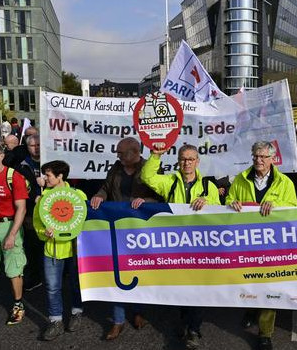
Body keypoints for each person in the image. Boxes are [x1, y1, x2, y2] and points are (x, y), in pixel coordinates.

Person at [141, 143, 220, 350]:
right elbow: (147, 177)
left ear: (197, 161)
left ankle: (194, 330)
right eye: (183, 159)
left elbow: (219, 211)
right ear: (178, 161)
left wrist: (207, 202)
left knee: (199, 290)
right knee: (183, 289)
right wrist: (155, 156)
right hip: (177, 246)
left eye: (191, 159)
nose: (187, 163)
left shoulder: (208, 186)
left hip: (201, 246)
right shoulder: (170, 182)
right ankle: (186, 322)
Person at [226, 141, 297, 350]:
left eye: (263, 157)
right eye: (255, 156)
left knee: (269, 287)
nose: (258, 160)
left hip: (272, 245)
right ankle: (250, 310)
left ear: (273, 159)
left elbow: (292, 209)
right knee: (249, 282)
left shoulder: (285, 182)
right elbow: (230, 199)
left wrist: (277, 206)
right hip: (247, 244)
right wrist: (232, 203)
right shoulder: (240, 179)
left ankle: (265, 333)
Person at [90, 137, 161, 340]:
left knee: (138, 272)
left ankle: (139, 313)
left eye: (121, 152)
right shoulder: (116, 168)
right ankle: (118, 320)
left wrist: (146, 200)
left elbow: (162, 195)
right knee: (116, 273)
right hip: (116, 228)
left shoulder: (150, 167)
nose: (117, 156)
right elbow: (105, 187)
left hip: (140, 231)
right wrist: (99, 196)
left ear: (135, 152)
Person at [34, 161, 86, 341]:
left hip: (75, 250)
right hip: (52, 249)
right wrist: (44, 232)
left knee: (76, 284)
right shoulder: (43, 198)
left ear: (60, 176)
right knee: (52, 287)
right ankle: (55, 321)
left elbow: (85, 223)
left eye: (48, 175)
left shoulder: (78, 195)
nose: (44, 179)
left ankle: (77, 312)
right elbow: (37, 224)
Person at [0, 141, 28, 333]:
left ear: (1, 156)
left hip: (9, 225)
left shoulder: (14, 177)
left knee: (13, 271)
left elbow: (21, 208)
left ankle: (18, 304)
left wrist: (12, 235)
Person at [17, 134, 44, 292]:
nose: (36, 148)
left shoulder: (51, 162)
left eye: (39, 144)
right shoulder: (23, 166)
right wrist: (34, 196)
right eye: (32, 146)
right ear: (27, 147)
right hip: (32, 213)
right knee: (32, 246)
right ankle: (34, 277)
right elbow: (22, 191)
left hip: (52, 213)